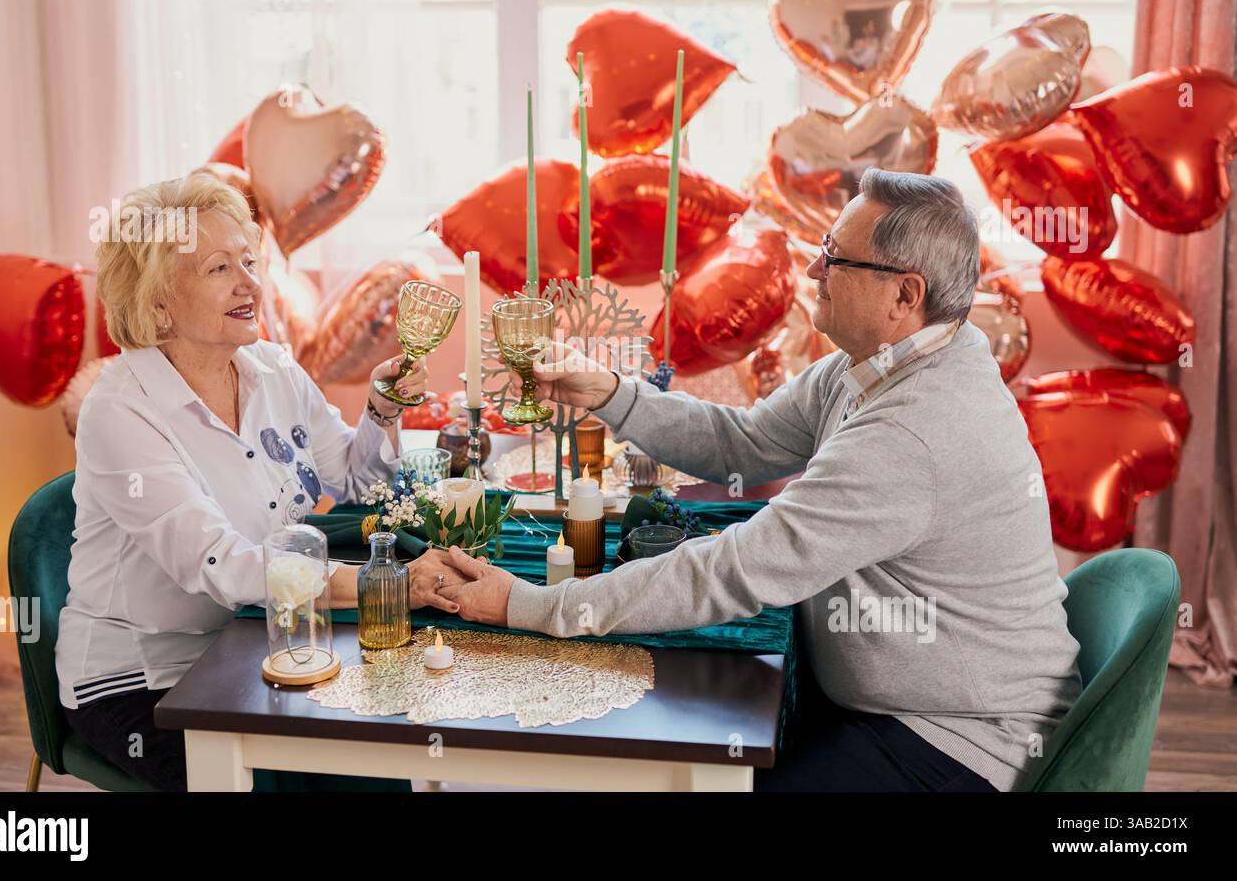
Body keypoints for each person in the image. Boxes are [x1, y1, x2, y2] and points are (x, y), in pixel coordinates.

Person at [436, 168, 1084, 792]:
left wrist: (528, 607)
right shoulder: (878, 366)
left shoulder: (916, 431)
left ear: (905, 295)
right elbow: (743, 443)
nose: (812, 270)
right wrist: (607, 391)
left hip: (959, 737)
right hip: (896, 706)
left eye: (837, 258)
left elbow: (737, 570)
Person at [56, 173, 469, 791]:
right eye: (219, 268)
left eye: (249, 261)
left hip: (261, 638)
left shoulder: (271, 369)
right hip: (148, 677)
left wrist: (382, 409)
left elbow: (354, 479)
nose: (250, 283)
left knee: (374, 745)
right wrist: (385, 585)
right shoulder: (120, 411)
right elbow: (220, 564)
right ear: (159, 302)